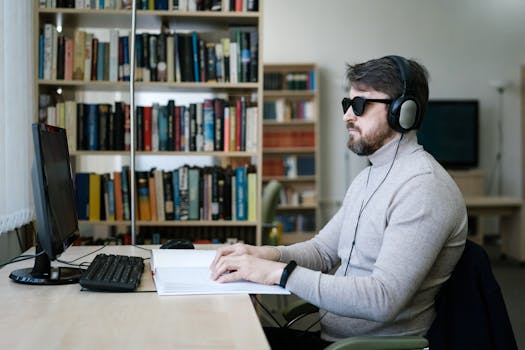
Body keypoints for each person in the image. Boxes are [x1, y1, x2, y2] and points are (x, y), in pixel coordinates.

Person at [210, 55, 468, 349]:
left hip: (365, 348)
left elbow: (382, 298)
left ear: (403, 111)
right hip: (334, 340)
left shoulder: (424, 188)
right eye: (347, 104)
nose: (347, 116)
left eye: (360, 105)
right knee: (226, 338)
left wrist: (278, 274)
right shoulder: (369, 177)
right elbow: (322, 252)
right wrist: (265, 254)